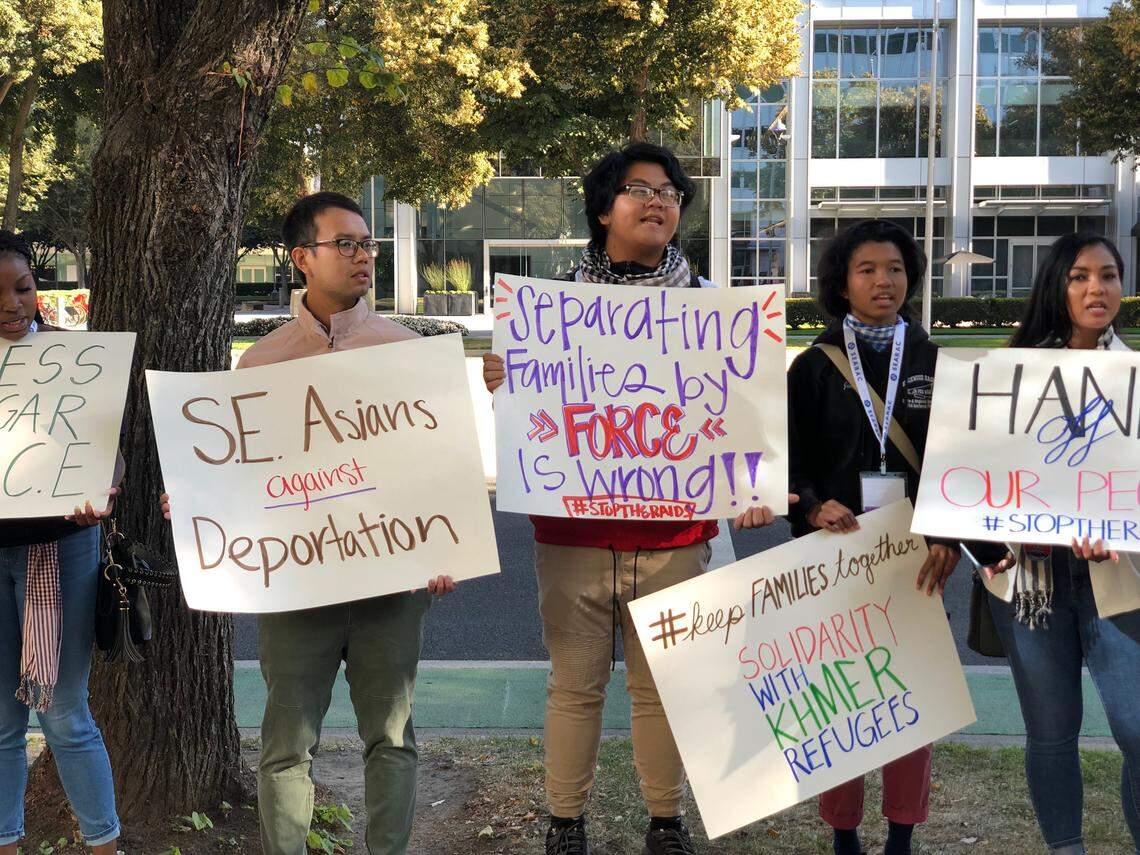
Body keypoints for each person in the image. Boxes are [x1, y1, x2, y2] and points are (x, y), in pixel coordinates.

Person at [483, 141, 789, 855]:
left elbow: (744, 414)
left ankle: (665, 821)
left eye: (671, 192)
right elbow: (533, 419)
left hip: (676, 539)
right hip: (572, 536)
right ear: (602, 208)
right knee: (574, 686)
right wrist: (509, 383)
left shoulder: (717, 311)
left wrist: (751, 489)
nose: (658, 201)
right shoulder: (548, 311)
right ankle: (565, 821)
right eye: (639, 188)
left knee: (662, 691)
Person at [164, 192, 456, 855]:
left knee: (393, 738)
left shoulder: (408, 353)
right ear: (302, 258)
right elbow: (241, 477)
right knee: (287, 748)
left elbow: (434, 470)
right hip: (296, 591)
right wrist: (198, 498)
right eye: (346, 244)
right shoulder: (261, 364)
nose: (363, 256)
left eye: (367, 243)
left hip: (391, 587)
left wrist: (445, 542)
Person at [783, 219, 959, 855]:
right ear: (842, 282)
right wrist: (809, 505)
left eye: (895, 268)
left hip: (916, 553)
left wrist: (947, 534)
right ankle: (844, 835)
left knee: (913, 694)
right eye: (867, 270)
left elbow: (956, 461)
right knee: (842, 698)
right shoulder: (810, 367)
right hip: (834, 550)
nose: (884, 281)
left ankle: (903, 834)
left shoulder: (935, 361)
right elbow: (786, 460)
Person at [969, 233, 1139, 854]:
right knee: (1050, 733)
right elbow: (972, 486)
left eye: (1109, 275)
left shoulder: (1137, 380)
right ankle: (1065, 848)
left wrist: (1117, 527)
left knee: (1137, 727)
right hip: (1031, 584)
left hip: (1118, 581)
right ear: (1056, 287)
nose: (1096, 288)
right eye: (1079, 276)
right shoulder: (1007, 376)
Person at [0, 229, 121, 854]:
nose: (12, 304)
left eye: (22, 288)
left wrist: (103, 488)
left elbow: (113, 458)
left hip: (60, 551)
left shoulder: (77, 360)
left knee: (65, 713)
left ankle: (104, 843)